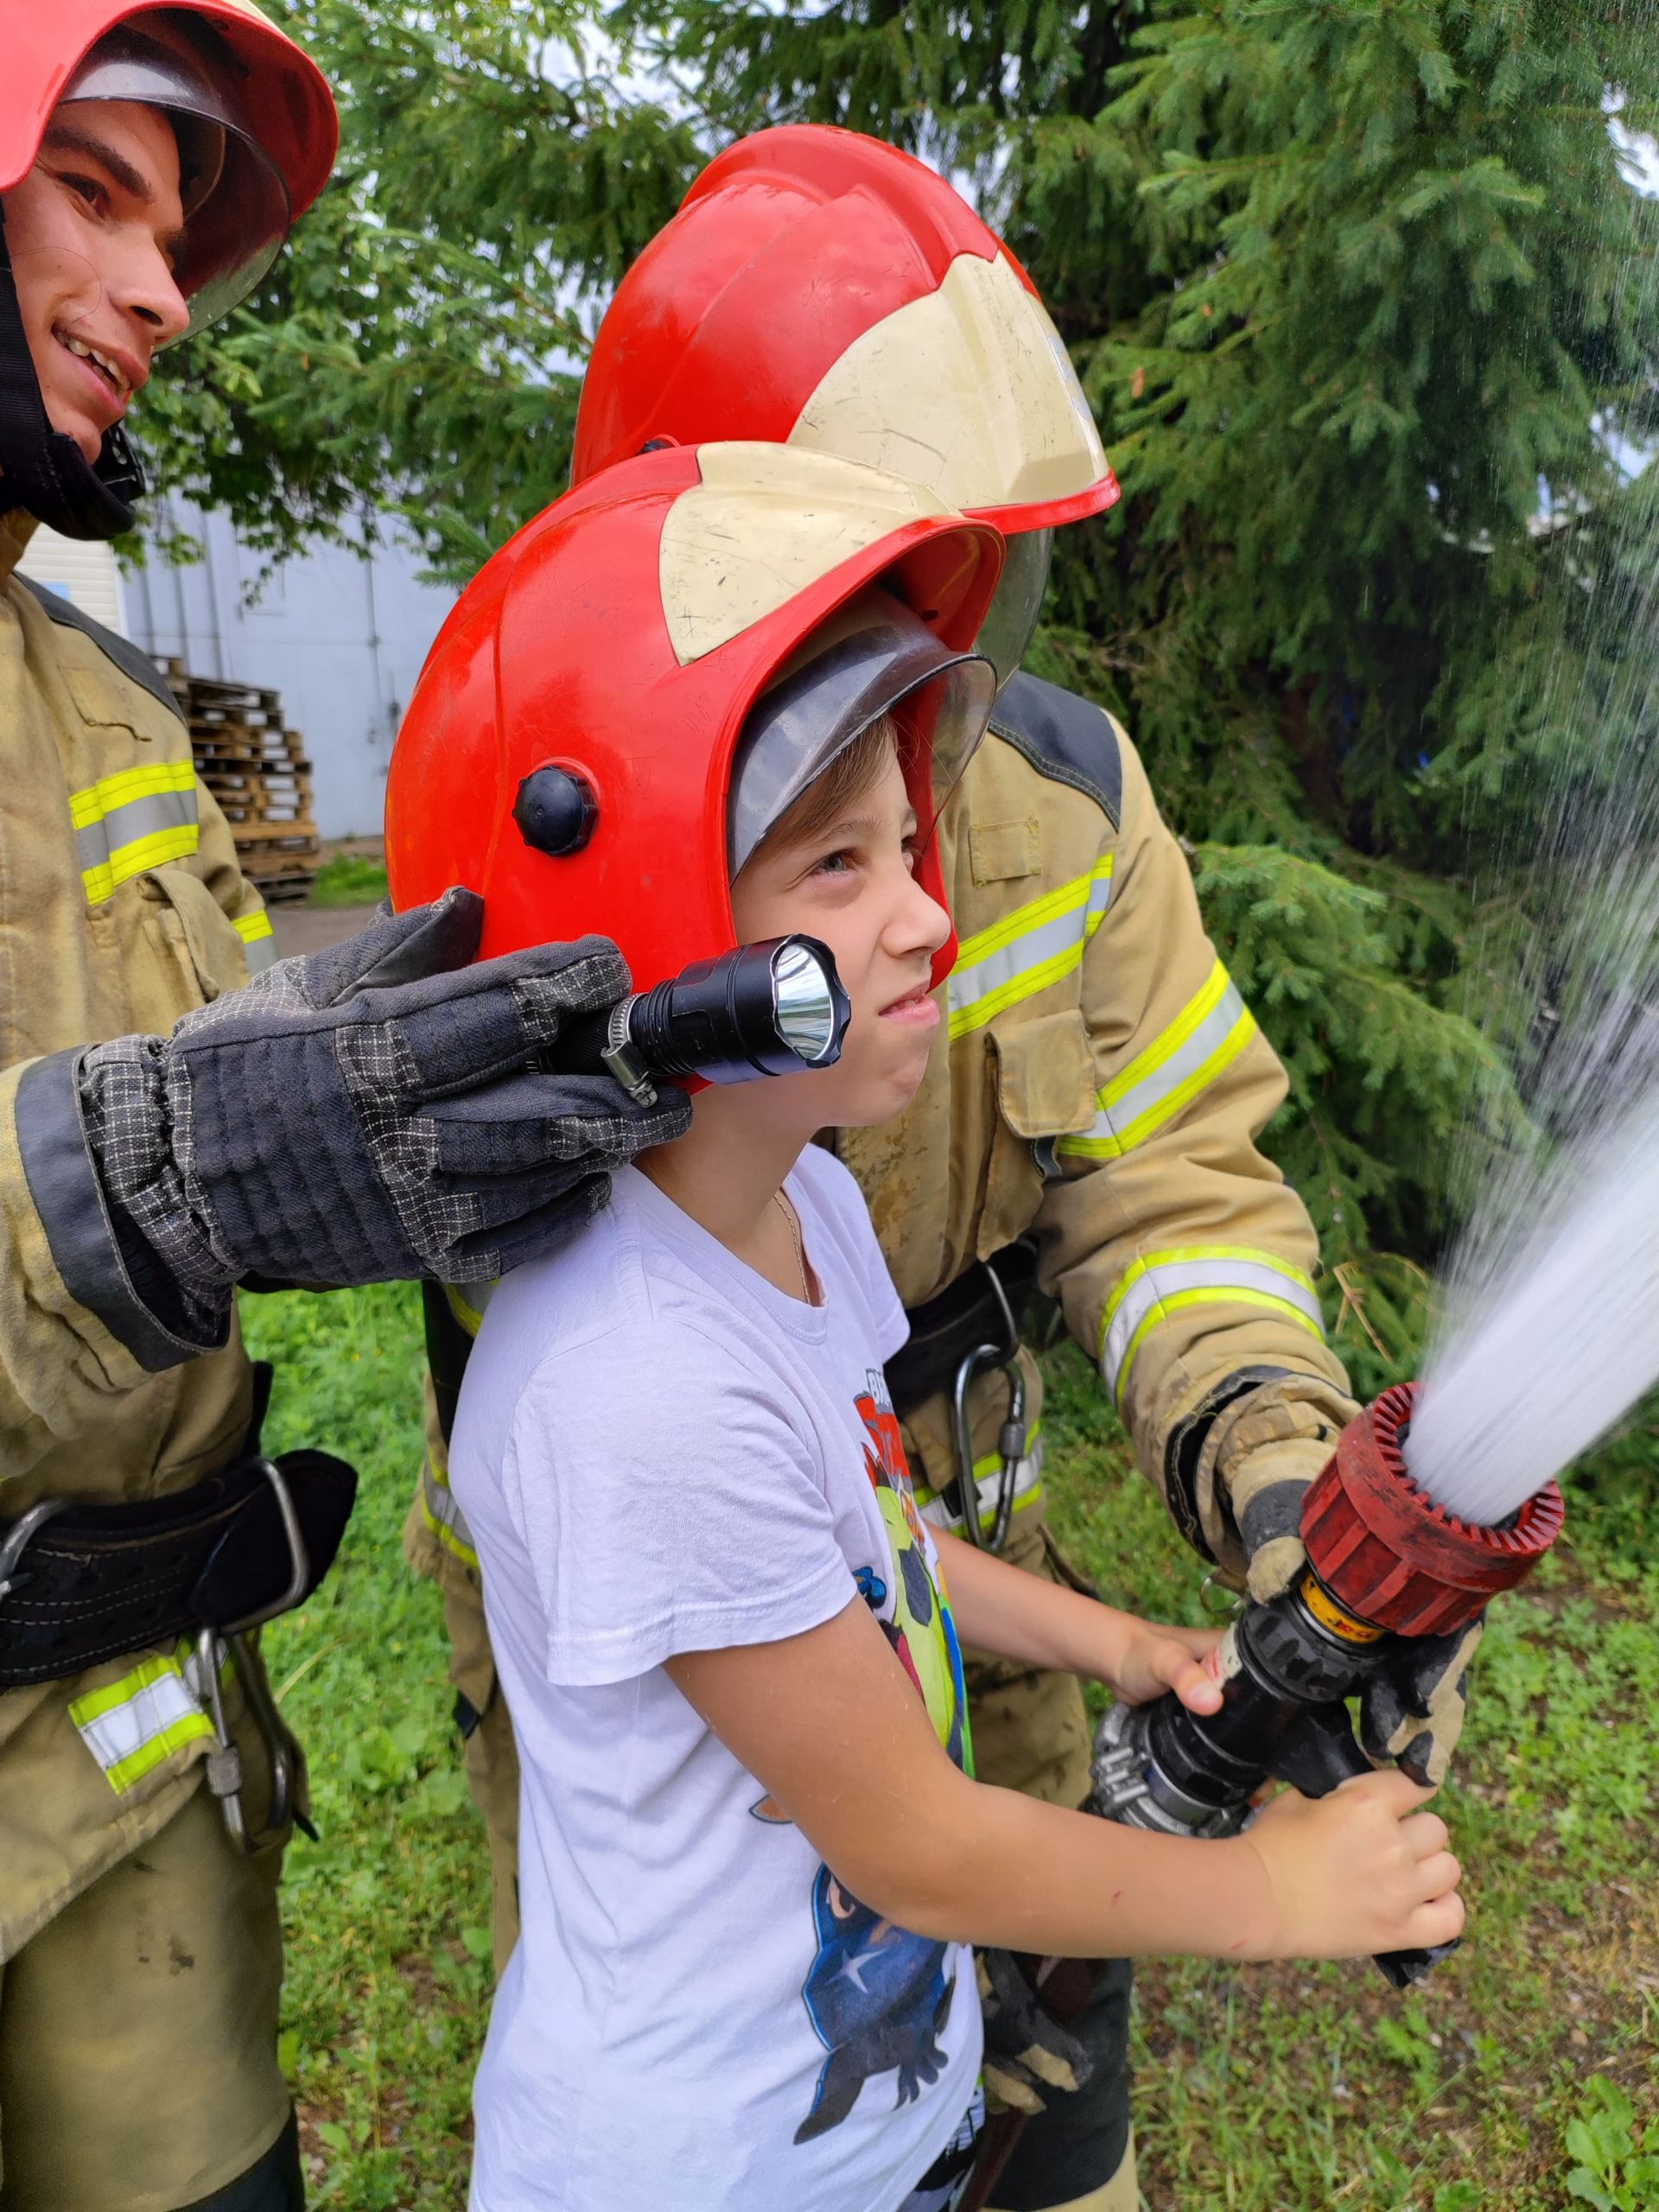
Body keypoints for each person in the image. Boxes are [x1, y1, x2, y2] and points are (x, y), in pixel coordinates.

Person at [409, 128, 1484, 2212]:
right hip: (717, 1720)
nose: (918, 859)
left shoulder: (1046, 805)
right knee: (762, 1944)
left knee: (1032, 2077)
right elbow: (864, 1800)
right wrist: (1276, 1894)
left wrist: (1275, 1487)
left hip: (913, 1547)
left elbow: (1175, 1175)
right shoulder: (541, 879)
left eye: (983, 575)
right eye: (891, 575)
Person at [0, 10, 683, 2207]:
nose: (159, 294)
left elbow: (197, 1077)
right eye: (92, 189)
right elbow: (136, 1161)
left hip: (121, 1760)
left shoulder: (91, 695)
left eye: (180, 232)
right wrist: (135, 1179)